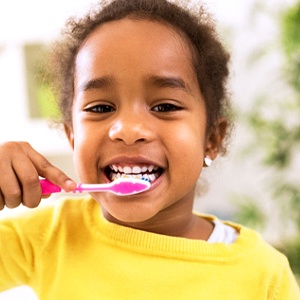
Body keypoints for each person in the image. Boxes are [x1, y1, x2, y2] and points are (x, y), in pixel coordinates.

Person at [0, 0, 299, 298]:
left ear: (212, 139)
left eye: (165, 106)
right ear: (73, 137)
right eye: (101, 107)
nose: (128, 130)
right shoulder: (48, 235)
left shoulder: (262, 275)